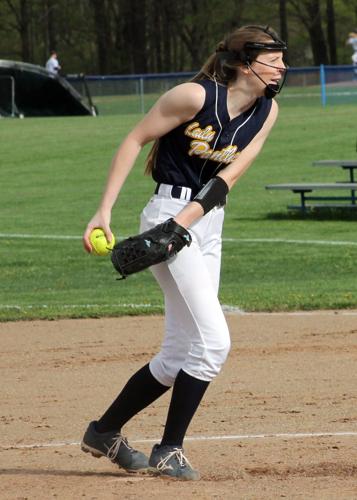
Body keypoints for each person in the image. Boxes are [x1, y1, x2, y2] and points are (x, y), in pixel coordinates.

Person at [81, 24, 287, 480]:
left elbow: (230, 175)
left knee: (179, 351)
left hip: (202, 221)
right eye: (273, 59)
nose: (281, 67)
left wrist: (186, 224)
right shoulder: (194, 97)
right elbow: (135, 139)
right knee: (214, 342)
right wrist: (104, 211)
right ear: (243, 61)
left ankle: (104, 430)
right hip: (166, 211)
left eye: (281, 59)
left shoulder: (267, 112)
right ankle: (169, 448)